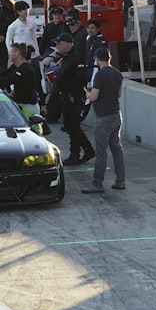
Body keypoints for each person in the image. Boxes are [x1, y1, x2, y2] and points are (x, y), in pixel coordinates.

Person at [44, 33, 95, 165]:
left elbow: (81, 78)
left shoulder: (76, 58)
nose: (58, 46)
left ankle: (75, 153)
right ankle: (87, 149)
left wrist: (72, 94)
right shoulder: (66, 57)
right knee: (71, 126)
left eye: (60, 44)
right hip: (65, 95)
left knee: (72, 125)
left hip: (73, 97)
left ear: (68, 44)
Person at [82, 46, 126, 193]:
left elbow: (94, 97)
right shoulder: (117, 74)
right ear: (109, 58)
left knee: (101, 152)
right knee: (117, 149)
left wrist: (87, 94)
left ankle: (97, 183)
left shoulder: (100, 75)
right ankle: (121, 180)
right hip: (116, 115)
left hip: (103, 117)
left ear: (96, 59)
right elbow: (118, 94)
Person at [0, 43, 42, 133]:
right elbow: (3, 74)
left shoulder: (25, 69)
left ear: (17, 53)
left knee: (32, 133)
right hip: (21, 105)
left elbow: (6, 80)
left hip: (28, 107)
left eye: (11, 51)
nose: (9, 54)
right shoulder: (16, 67)